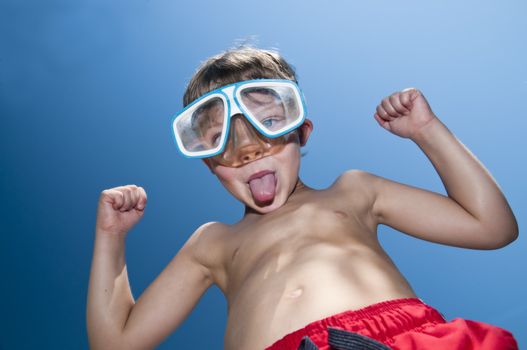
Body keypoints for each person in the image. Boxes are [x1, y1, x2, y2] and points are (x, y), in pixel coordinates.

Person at [86, 46, 519, 350]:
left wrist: (428, 131)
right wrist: (111, 237)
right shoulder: (211, 242)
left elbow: (492, 227)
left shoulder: (354, 191)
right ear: (208, 162)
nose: (249, 146)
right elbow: (117, 343)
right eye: (220, 137)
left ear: (300, 131)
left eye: (270, 121)